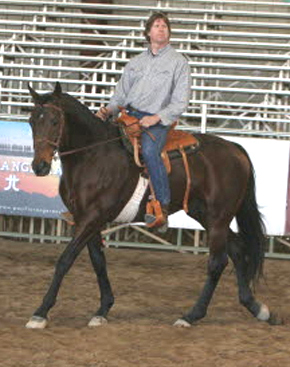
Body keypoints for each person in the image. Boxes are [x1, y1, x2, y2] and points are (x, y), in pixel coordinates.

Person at [96, 12, 191, 229]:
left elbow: (180, 102)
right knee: (102, 147)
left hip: (156, 120)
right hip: (128, 116)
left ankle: (161, 206)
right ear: (148, 32)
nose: (161, 29)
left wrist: (156, 118)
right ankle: (93, 203)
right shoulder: (135, 62)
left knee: (149, 152)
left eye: (165, 26)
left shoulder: (179, 63)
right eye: (157, 25)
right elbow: (120, 95)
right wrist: (107, 110)